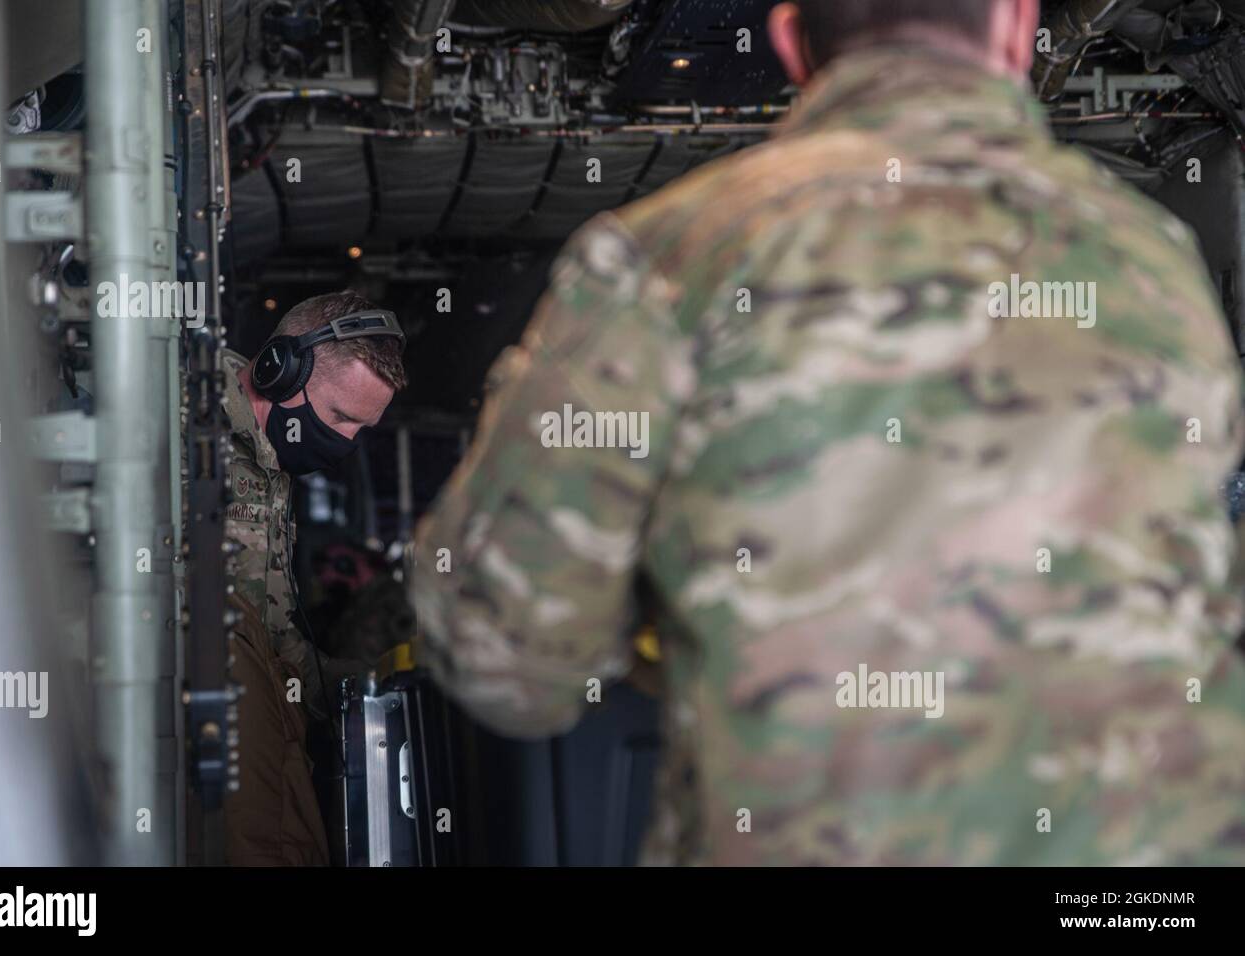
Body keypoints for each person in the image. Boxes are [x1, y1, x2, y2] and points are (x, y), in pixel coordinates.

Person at [410, 0, 1245, 865]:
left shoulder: (670, 258)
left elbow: (502, 658)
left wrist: (695, 629)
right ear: (1015, 27)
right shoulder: (1159, 259)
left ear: (788, 45)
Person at [222, 290, 406, 864]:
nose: (346, 442)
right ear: (280, 371)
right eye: (340, 417)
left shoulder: (273, 463)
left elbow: (277, 633)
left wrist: (364, 687)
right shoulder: (181, 420)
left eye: (362, 428)